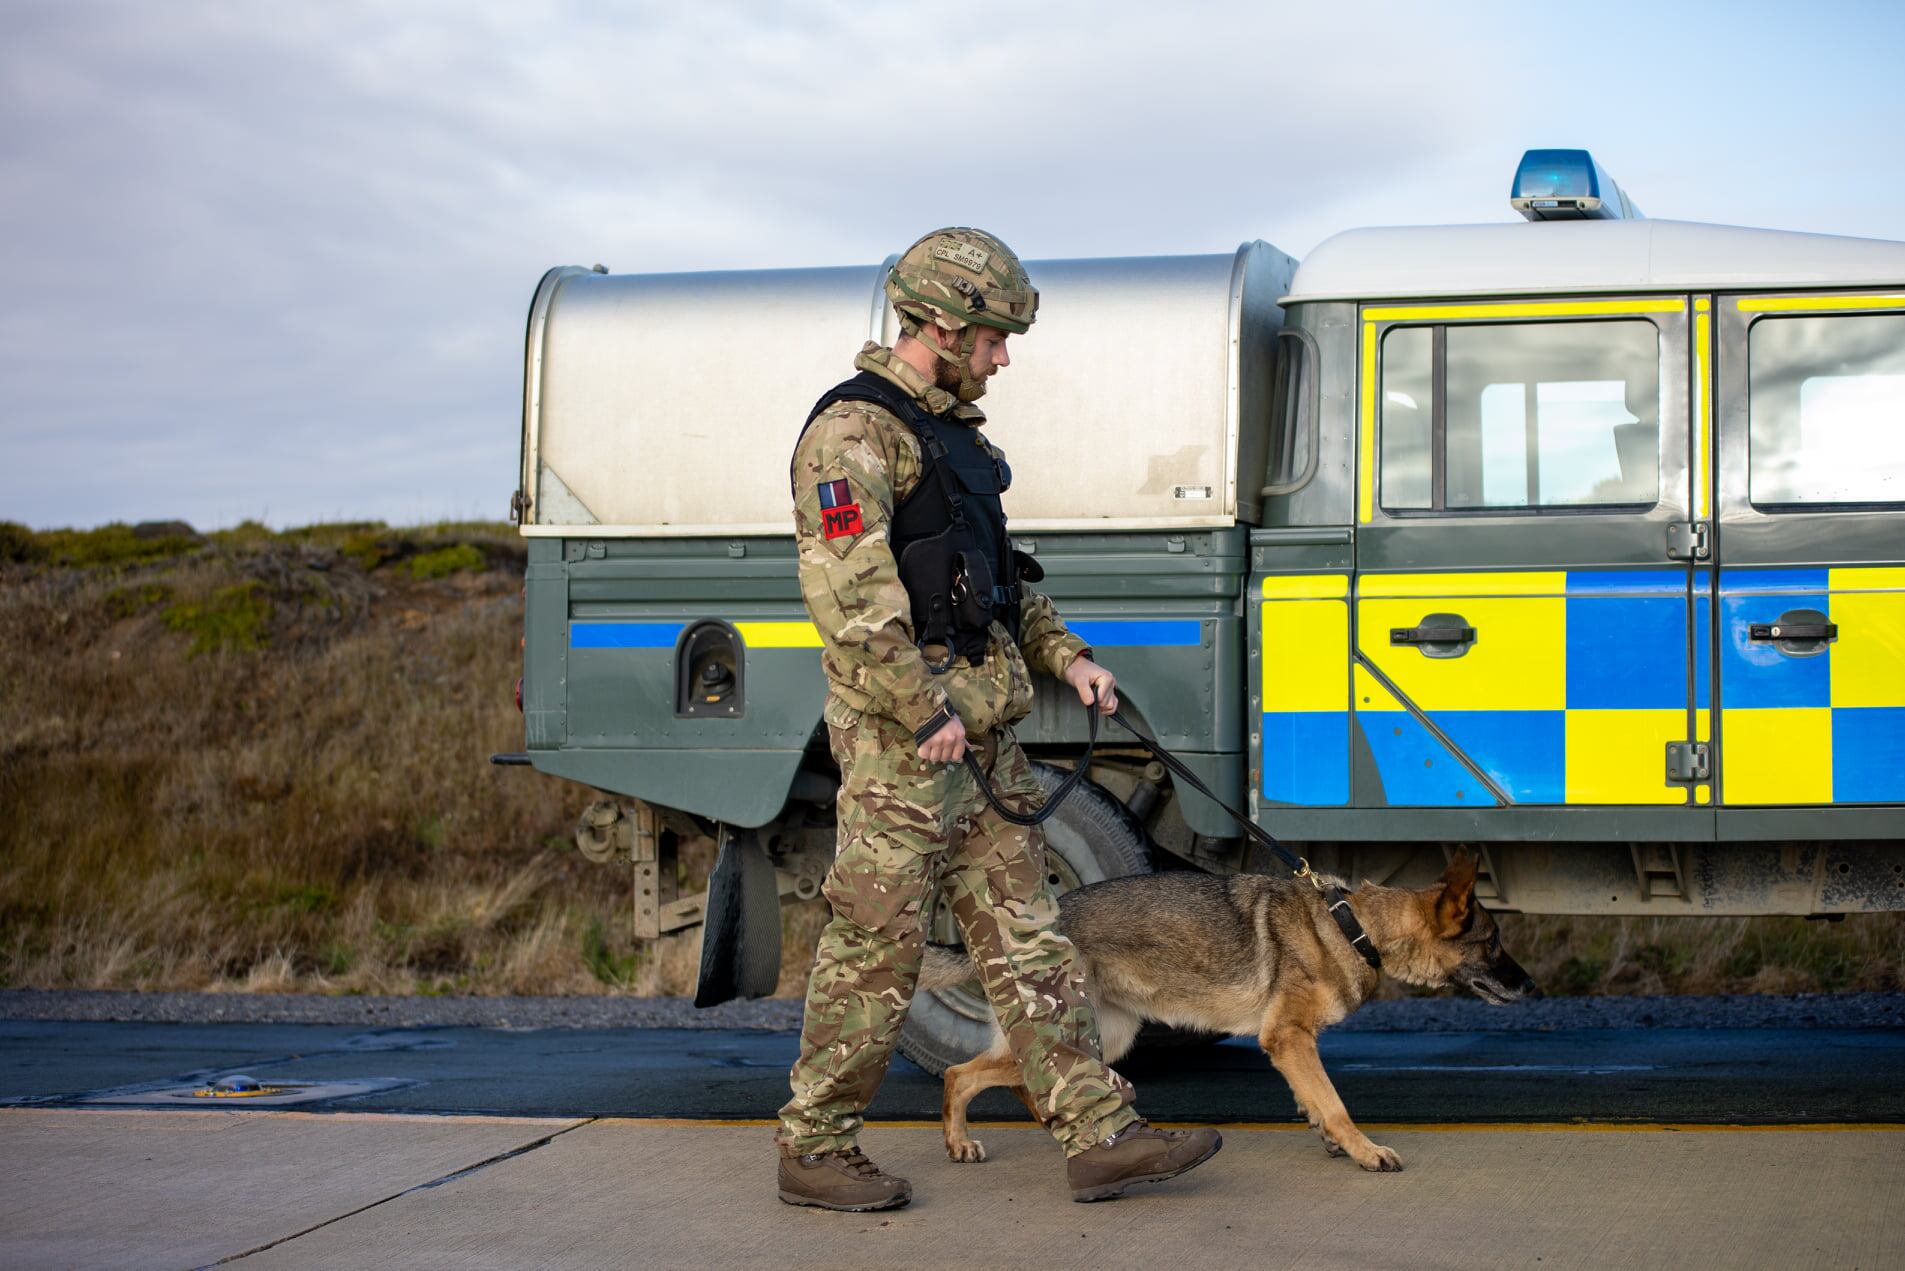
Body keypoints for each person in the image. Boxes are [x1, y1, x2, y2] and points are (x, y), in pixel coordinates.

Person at [775, 227, 1222, 1210]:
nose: (1003, 355)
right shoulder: (850, 438)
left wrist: (1068, 658)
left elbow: (1002, 585)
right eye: (993, 336)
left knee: (1033, 938)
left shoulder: (957, 441)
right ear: (941, 322)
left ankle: (1099, 1132)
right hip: (906, 745)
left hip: (982, 741)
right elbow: (852, 603)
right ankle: (812, 1145)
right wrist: (919, 707)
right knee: (874, 948)